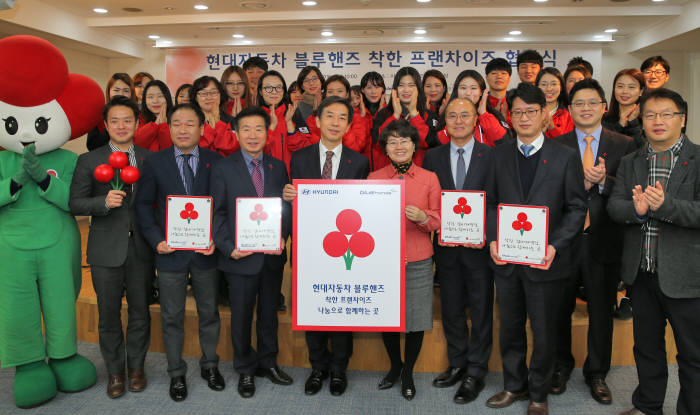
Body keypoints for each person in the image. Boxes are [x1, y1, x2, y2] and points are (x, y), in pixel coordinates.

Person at [484, 83, 587, 415]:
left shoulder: (565, 157)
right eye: (517, 112)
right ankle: (514, 385)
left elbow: (576, 208)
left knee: (543, 332)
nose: (524, 117)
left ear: (545, 114)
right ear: (509, 116)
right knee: (511, 328)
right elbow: (489, 205)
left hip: (546, 262)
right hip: (508, 261)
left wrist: (556, 245)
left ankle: (539, 393)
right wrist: (493, 239)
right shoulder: (498, 154)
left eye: (531, 111)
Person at [608, 88, 700, 415]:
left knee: (692, 354)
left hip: (687, 276)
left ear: (682, 119)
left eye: (666, 114)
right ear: (641, 120)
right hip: (641, 274)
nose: (658, 121)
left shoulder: (698, 159)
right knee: (646, 347)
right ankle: (648, 405)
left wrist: (666, 206)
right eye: (650, 115)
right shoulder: (632, 161)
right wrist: (638, 210)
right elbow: (615, 207)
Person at [551, 79, 636, 405]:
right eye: (578, 103)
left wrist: (604, 181)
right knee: (559, 308)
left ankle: (597, 372)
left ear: (604, 106)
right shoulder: (556, 144)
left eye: (592, 102)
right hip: (565, 241)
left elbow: (631, 190)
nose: (585, 108)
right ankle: (561, 364)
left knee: (602, 310)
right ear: (569, 109)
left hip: (603, 240)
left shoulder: (624, 144)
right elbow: (549, 191)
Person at [134, 103, 224, 402]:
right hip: (169, 253)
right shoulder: (156, 162)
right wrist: (156, 239)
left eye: (189, 124)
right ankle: (176, 372)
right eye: (176, 124)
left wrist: (217, 238)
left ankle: (210, 365)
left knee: (209, 312)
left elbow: (222, 207)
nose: (183, 129)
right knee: (171, 315)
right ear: (169, 128)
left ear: (201, 128)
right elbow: (144, 205)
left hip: (205, 252)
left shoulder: (216, 161)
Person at [282, 96, 370, 397]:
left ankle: (338, 370)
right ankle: (317, 366)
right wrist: (289, 196)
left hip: (345, 249)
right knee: (313, 307)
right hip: (309, 247)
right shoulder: (300, 158)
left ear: (348, 124)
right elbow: (292, 202)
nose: (335, 122)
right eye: (329, 116)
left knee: (341, 308)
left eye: (342, 117)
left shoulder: (358, 162)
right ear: (316, 121)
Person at [69, 96, 154, 399]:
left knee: (141, 313)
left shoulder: (148, 159)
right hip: (105, 249)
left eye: (127, 120)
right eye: (115, 121)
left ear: (137, 123)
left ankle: (137, 369)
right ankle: (115, 371)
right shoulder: (88, 161)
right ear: (105, 125)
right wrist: (102, 203)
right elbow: (75, 202)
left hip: (142, 249)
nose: (121, 126)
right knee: (108, 314)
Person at [210, 106, 293, 399]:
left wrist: (283, 236)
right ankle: (245, 368)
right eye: (246, 129)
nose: (253, 135)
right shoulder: (222, 167)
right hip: (239, 258)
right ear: (236, 133)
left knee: (269, 314)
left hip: (271, 256)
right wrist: (229, 247)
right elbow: (216, 213)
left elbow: (284, 208)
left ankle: (268, 362)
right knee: (242, 315)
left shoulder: (278, 166)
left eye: (259, 129)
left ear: (268, 134)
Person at [422, 98, 494, 404]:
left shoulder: (492, 155)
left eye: (465, 114)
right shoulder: (433, 158)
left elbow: (497, 199)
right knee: (450, 308)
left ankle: (476, 371)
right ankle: (458, 363)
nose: (459, 120)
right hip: (447, 248)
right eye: (452, 115)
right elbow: (430, 201)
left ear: (476, 119)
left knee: (480, 311)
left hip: (479, 249)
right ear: (444, 122)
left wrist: (486, 233)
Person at [369, 119, 441, 401]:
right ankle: (394, 365)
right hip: (382, 260)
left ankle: (408, 370)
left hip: (418, 258)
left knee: (415, 318)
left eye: (405, 141)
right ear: (385, 148)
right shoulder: (374, 179)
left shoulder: (429, 178)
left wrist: (424, 218)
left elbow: (437, 219)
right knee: (386, 316)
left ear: (414, 146)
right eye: (392, 142)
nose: (399, 146)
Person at [370, 66, 439, 170]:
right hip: (390, 178)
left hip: (420, 177)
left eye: (411, 85)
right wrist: (395, 116)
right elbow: (379, 143)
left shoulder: (429, 115)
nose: (406, 90)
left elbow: (429, 143)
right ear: (395, 89)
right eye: (401, 85)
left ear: (418, 89)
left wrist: (414, 114)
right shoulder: (383, 114)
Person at [292, 74, 369, 154]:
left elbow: (356, 148)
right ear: (325, 95)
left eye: (340, 91)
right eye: (330, 91)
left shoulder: (357, 118)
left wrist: (344, 124)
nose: (335, 94)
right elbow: (306, 145)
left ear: (347, 94)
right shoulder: (315, 118)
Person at [440, 70, 510, 147]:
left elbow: (505, 142)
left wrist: (483, 114)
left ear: (481, 92)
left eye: (473, 88)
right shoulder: (447, 115)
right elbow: (441, 144)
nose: (468, 93)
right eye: (463, 88)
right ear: (457, 91)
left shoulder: (493, 116)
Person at [256, 70, 306, 169]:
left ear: (283, 91)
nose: (274, 91)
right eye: (268, 88)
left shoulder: (294, 114)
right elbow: (253, 150)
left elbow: (305, 150)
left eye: (278, 87)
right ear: (261, 91)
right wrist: (271, 128)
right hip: (262, 178)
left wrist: (289, 124)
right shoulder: (254, 116)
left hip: (290, 178)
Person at [190, 76, 239, 156]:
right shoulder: (189, 122)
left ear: (220, 95)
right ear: (196, 97)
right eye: (203, 93)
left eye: (213, 92)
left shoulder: (233, 121)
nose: (209, 97)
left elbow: (234, 151)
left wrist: (218, 124)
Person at [87, 73, 136, 151]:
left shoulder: (139, 115)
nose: (121, 94)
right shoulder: (97, 115)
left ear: (132, 93)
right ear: (109, 91)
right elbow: (92, 145)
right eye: (116, 90)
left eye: (126, 91)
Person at [602, 69, 646, 148]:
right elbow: (605, 149)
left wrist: (633, 122)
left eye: (631, 87)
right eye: (620, 86)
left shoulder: (647, 120)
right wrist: (621, 124)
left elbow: (644, 152)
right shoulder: (603, 119)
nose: (625, 91)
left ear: (641, 91)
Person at [134, 80, 173, 152]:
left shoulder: (176, 120)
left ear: (167, 98)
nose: (155, 101)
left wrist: (163, 126)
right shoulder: (139, 120)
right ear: (145, 100)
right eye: (150, 97)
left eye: (160, 96)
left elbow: (169, 151)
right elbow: (136, 145)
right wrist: (154, 125)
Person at [536, 68, 574, 139]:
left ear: (561, 87)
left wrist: (552, 128)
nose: (549, 89)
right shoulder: (529, 112)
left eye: (554, 84)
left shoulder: (569, 114)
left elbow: (569, 143)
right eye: (544, 84)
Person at [359, 71, 387, 164]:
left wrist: (381, 115)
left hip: (385, 168)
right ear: (362, 90)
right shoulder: (355, 113)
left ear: (382, 89)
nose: (373, 91)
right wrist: (362, 117)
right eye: (369, 87)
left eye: (377, 87)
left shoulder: (392, 112)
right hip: (361, 168)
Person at [485, 58, 513, 127]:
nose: (499, 76)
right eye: (494, 73)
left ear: (509, 78)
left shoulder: (516, 100)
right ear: (487, 78)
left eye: (503, 73)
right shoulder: (481, 102)